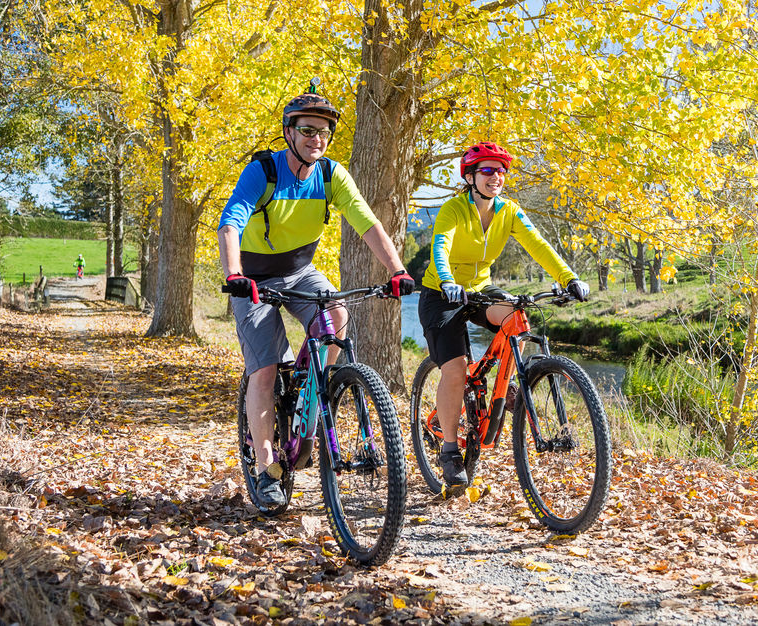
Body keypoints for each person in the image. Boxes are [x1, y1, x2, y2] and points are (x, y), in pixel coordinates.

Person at [217, 80, 415, 510]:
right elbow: (231, 221)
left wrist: (396, 270)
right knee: (266, 371)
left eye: (323, 132)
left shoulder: (330, 174)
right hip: (253, 277)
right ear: (289, 132)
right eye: (308, 130)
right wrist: (233, 273)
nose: (316, 139)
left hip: (300, 271)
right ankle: (267, 468)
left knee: (337, 315)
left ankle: (311, 384)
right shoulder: (264, 171)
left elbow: (367, 223)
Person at [418, 140, 590, 493]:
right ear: (470, 176)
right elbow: (440, 245)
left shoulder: (509, 211)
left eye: (500, 171)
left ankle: (509, 381)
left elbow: (538, 244)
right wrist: (448, 280)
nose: (495, 177)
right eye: (487, 170)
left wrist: (568, 278)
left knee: (517, 316)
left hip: (481, 290)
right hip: (442, 293)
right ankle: (449, 450)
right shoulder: (453, 209)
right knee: (455, 369)